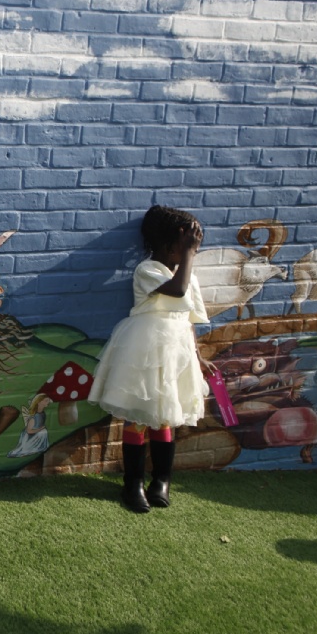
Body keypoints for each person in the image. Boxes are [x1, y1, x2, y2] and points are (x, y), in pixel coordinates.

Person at [88, 204, 215, 513]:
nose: (193, 250)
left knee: (165, 415)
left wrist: (198, 356)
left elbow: (188, 318)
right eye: (188, 243)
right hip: (144, 353)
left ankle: (161, 480)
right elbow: (177, 291)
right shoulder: (148, 271)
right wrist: (190, 254)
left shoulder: (187, 275)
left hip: (176, 355)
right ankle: (132, 483)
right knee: (139, 416)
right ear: (169, 244)